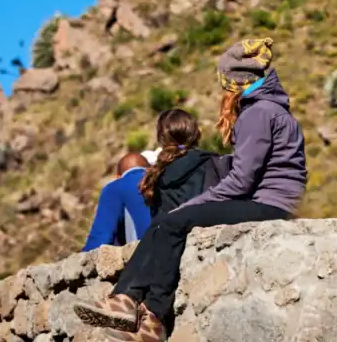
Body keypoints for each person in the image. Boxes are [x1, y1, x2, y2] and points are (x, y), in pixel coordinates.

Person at [74, 39, 307, 341]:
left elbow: (241, 181)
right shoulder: (271, 109)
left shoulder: (257, 113)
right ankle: (129, 302)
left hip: (270, 204)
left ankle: (144, 312)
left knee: (172, 221)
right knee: (168, 222)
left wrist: (193, 206)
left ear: (235, 80)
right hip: (279, 201)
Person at [81, 153, 152, 253]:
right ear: (150, 168)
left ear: (118, 177)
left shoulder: (114, 188)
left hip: (147, 258)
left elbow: (100, 240)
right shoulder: (166, 179)